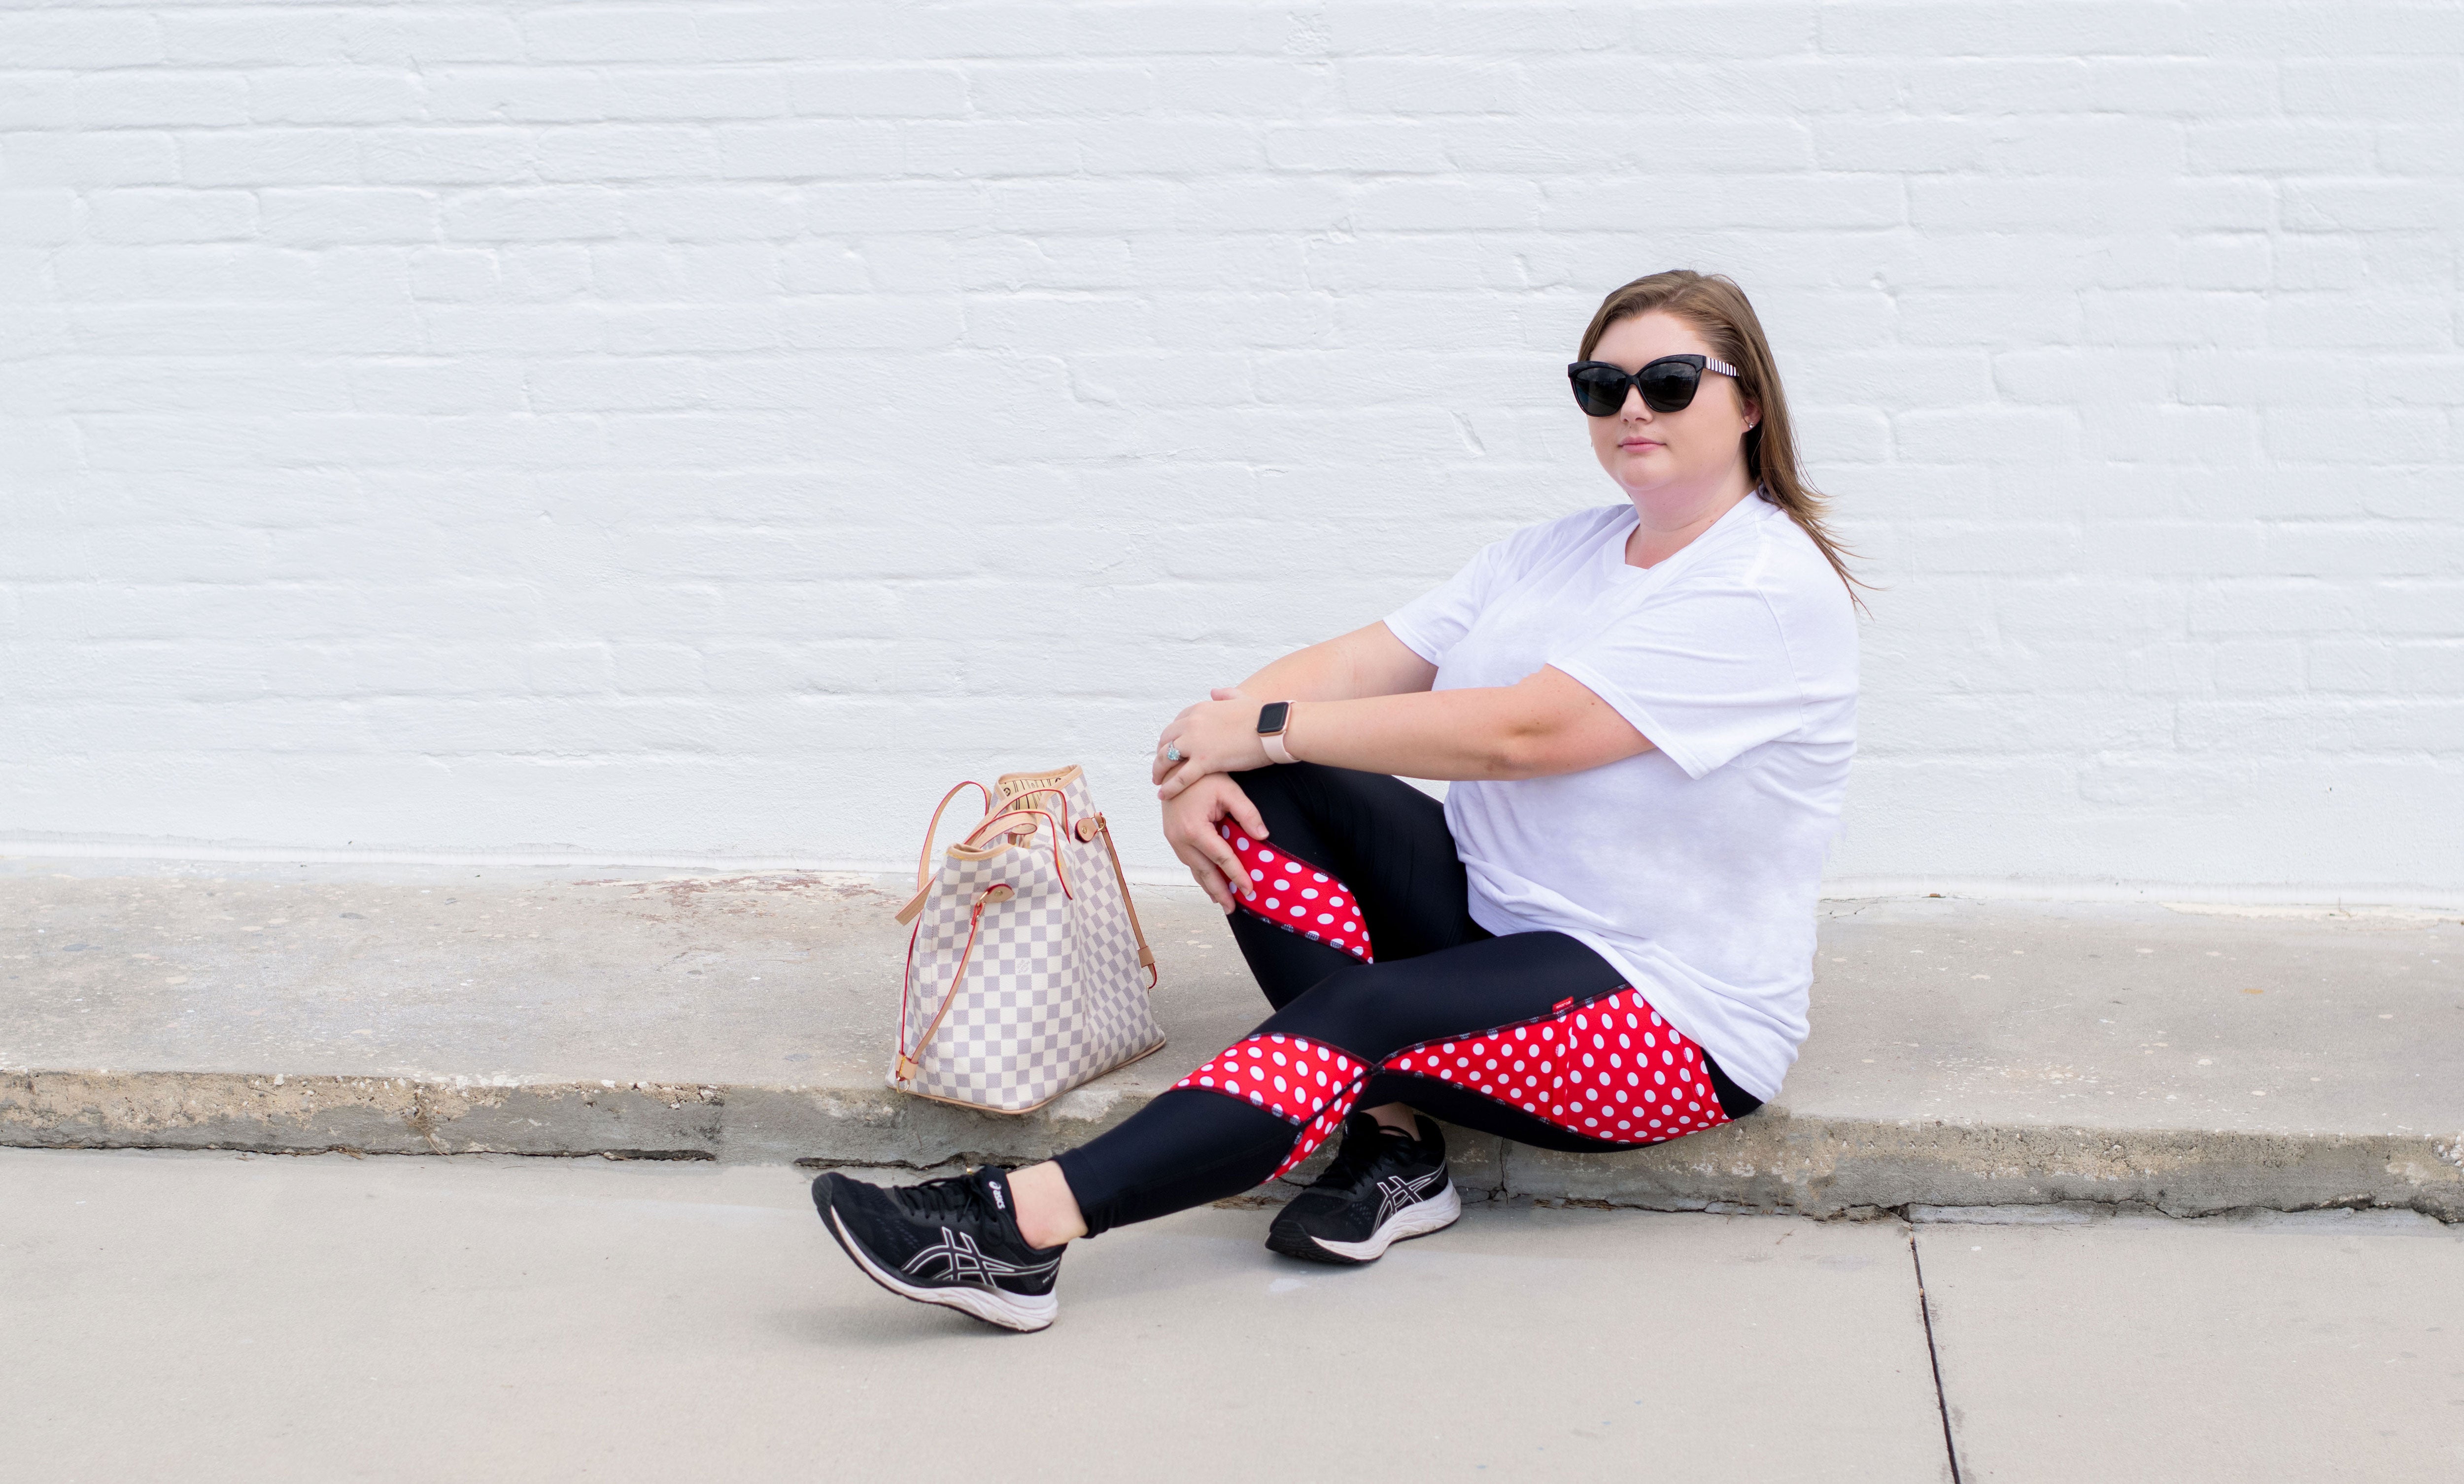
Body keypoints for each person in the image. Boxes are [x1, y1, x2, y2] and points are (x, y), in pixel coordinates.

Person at [813, 270, 1864, 1332]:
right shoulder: (1559, 550)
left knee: (1353, 1012)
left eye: (1670, 381)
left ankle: (1014, 1232)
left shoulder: (1761, 588)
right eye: (1602, 385)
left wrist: (1261, 730)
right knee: (1271, 790)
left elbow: (1521, 736)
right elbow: (1364, 663)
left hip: (1663, 1018)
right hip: (1492, 920)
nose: (1632, 407)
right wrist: (1202, 761)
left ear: (1747, 402)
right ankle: (1398, 1150)